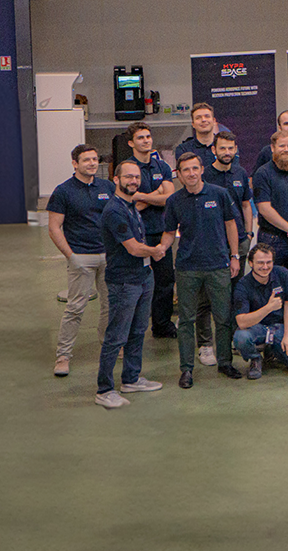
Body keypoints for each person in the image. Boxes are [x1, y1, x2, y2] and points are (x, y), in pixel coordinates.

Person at [160, 152, 243, 387]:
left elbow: (230, 225)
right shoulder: (174, 200)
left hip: (218, 265)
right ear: (179, 174)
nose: (191, 173)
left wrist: (234, 256)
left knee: (223, 317)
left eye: (195, 168)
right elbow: (168, 232)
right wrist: (161, 249)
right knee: (186, 319)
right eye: (186, 170)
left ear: (202, 169)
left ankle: (225, 362)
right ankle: (186, 369)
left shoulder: (219, 194)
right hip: (187, 267)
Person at [94, 159, 167, 408]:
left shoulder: (131, 206)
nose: (133, 181)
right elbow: (134, 248)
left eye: (136, 177)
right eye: (128, 177)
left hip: (143, 277)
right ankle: (104, 389)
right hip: (124, 281)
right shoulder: (114, 210)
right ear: (116, 179)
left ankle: (131, 379)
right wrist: (156, 250)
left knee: (138, 331)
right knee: (116, 336)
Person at [47, 144, 115, 377]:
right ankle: (63, 356)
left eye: (95, 159)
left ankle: (108, 345)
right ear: (75, 163)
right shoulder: (63, 191)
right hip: (81, 258)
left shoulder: (107, 187)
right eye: (86, 160)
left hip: (108, 256)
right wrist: (71, 256)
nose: (92, 163)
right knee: (75, 308)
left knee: (109, 305)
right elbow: (54, 227)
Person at [123, 122, 178, 339]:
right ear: (131, 143)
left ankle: (162, 325)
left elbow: (170, 198)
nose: (146, 141)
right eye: (140, 138)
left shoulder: (161, 166)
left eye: (148, 136)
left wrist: (144, 196)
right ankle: (133, 329)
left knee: (165, 282)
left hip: (161, 233)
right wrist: (157, 195)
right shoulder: (126, 168)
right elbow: (129, 205)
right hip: (136, 235)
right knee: (137, 283)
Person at [231, 244, 288, 379]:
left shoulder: (282, 274)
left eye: (268, 262)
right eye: (260, 263)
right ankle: (256, 359)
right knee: (241, 337)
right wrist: (268, 308)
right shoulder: (242, 286)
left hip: (280, 327)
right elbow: (241, 322)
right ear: (251, 263)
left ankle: (274, 350)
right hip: (257, 328)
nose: (265, 267)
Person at [252, 132, 288, 288]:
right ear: (272, 148)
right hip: (272, 239)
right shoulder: (263, 173)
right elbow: (264, 208)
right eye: (282, 146)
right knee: (273, 284)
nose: (286, 149)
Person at [201, 132, 253, 251]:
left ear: (235, 149)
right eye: (222, 148)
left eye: (230, 148)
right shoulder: (205, 176)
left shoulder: (241, 173)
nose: (227, 153)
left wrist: (249, 234)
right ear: (214, 150)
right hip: (213, 241)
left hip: (240, 238)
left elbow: (246, 205)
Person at [175, 102, 220, 167]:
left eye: (207, 116)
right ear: (193, 124)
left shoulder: (225, 146)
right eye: (198, 118)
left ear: (213, 121)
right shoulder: (183, 149)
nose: (203, 120)